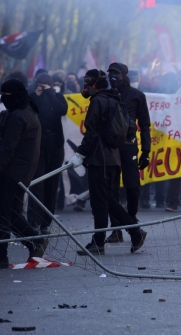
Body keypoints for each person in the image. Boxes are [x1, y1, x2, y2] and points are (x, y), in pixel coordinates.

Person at [68, 69, 146, 255]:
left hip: (99, 159)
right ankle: (101, 240)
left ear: (95, 84)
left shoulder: (98, 102)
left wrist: (80, 154)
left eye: (88, 83)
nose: (85, 87)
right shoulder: (115, 100)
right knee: (106, 200)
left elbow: (92, 132)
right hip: (113, 158)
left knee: (102, 202)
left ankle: (132, 232)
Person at [0, 79, 46, 269]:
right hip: (21, 172)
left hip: (11, 172)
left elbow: (8, 148)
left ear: (15, 96)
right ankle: (34, 241)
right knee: (9, 212)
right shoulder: (27, 110)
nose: (2, 99)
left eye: (6, 95)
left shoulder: (18, 116)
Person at [104, 62, 151, 244]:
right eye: (110, 74)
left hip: (129, 146)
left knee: (132, 187)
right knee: (112, 190)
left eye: (116, 74)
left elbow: (145, 125)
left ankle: (131, 221)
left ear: (125, 75)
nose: (113, 77)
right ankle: (117, 230)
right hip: (111, 148)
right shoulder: (106, 96)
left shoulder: (137, 96)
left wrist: (146, 151)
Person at [27, 73, 68, 235]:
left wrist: (50, 93)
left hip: (55, 145)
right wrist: (36, 96)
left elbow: (62, 110)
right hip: (37, 145)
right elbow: (28, 110)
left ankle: (46, 221)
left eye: (44, 85)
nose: (41, 88)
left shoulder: (57, 97)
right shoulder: (31, 97)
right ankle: (34, 220)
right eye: (39, 85)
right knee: (36, 183)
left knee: (52, 184)